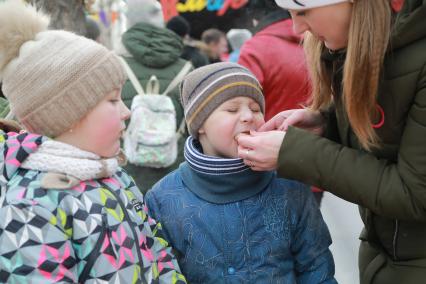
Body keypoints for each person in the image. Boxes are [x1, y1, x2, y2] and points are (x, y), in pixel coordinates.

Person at [237, 0, 426, 283]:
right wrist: (328, 124)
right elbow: (389, 142)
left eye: (302, 12)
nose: (297, 27)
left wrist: (296, 152)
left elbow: (414, 193)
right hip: (388, 258)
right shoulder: (362, 48)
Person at [0, 1, 186, 283]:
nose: (127, 111)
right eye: (112, 100)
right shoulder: (29, 204)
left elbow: (158, 250)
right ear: (67, 114)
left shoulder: (117, 176)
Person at [145, 62, 337, 283]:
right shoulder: (163, 198)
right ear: (200, 124)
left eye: (256, 109)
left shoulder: (288, 183)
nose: (248, 116)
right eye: (232, 109)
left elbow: (316, 266)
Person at [118, 0, 192, 192]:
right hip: (176, 172)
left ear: (128, 21)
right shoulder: (186, 68)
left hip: (126, 172)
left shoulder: (112, 65)